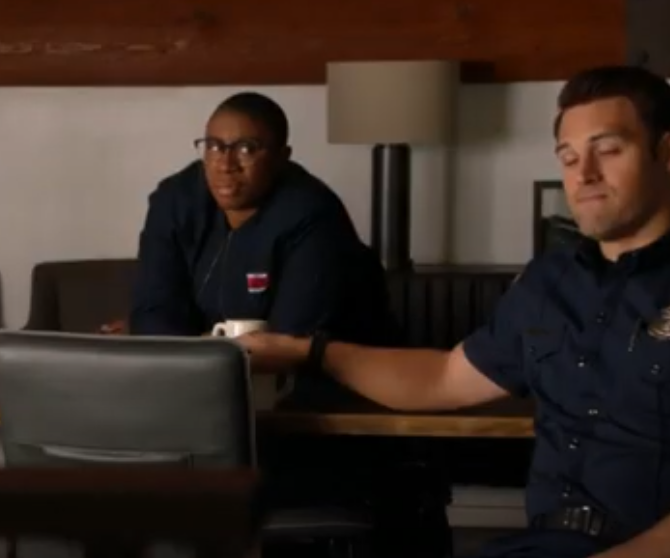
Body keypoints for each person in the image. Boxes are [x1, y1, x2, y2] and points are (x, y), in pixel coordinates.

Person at [238, 64, 670, 558]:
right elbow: (443, 378)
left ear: (665, 152)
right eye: (568, 158)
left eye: (608, 150)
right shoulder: (549, 283)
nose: (584, 174)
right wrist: (306, 352)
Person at [120, 92, 450, 557]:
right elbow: (153, 312)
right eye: (213, 146)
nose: (225, 164)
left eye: (246, 148)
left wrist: (188, 347)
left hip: (328, 405)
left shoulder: (312, 213)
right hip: (215, 403)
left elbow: (288, 341)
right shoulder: (175, 199)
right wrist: (183, 346)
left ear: (281, 156)